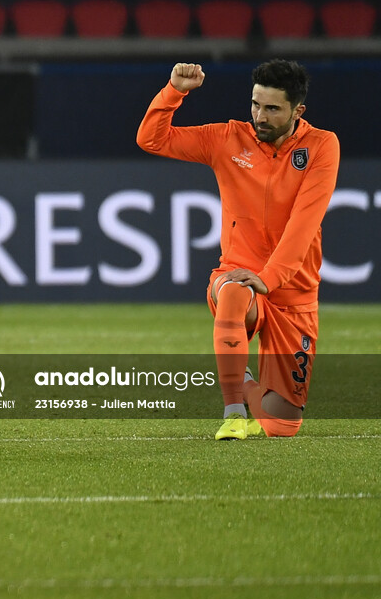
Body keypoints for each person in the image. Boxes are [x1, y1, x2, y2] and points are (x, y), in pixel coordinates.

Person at [137, 60, 339, 440]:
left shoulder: (322, 146)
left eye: (273, 109)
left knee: (281, 426)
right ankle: (233, 413)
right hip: (238, 276)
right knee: (232, 291)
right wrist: (173, 92)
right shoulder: (227, 139)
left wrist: (269, 277)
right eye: (256, 105)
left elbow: (303, 225)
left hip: (293, 293)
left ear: (298, 111)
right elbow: (151, 139)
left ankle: (244, 382)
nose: (260, 116)